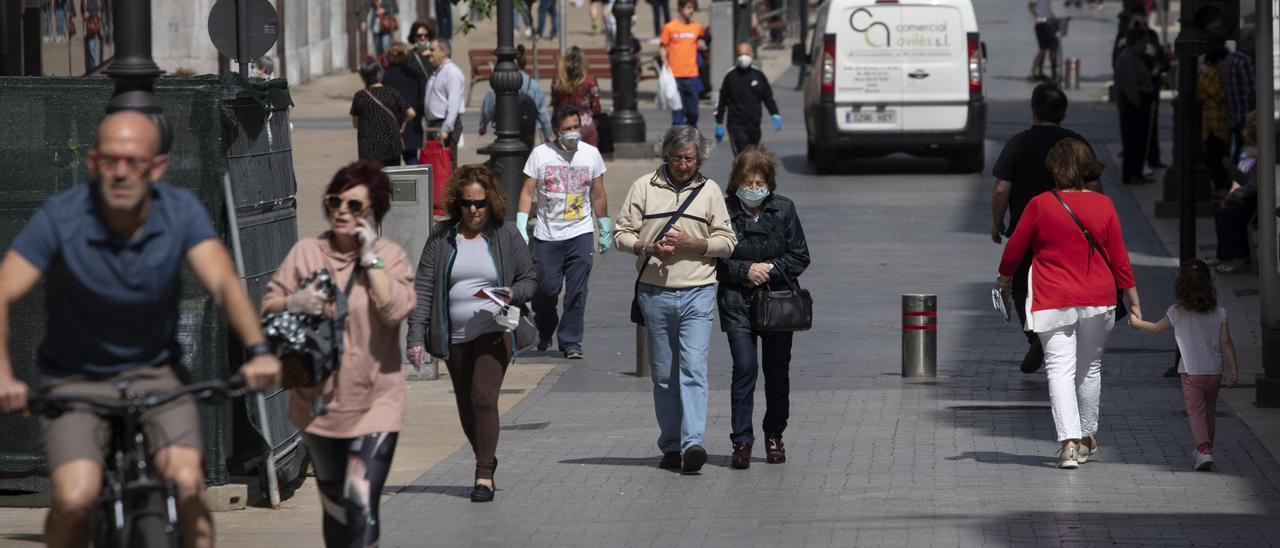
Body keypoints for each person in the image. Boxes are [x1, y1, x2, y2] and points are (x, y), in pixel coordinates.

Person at [0, 111, 282, 548]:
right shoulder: (63, 216)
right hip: (76, 379)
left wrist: (259, 350)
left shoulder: (179, 211)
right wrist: (3, 374)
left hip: (157, 375)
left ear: (157, 167)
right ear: (93, 162)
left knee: (189, 487)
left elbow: (225, 284)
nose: (121, 173)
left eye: (135, 162)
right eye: (110, 161)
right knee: (75, 500)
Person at [261, 161, 416, 547]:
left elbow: (396, 310)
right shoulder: (307, 253)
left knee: (362, 501)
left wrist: (369, 258)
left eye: (354, 205)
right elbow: (267, 307)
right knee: (336, 508)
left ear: (373, 213)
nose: (342, 211)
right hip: (318, 408)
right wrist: (294, 300)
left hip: (376, 404)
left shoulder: (390, 257)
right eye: (335, 202)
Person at [996, 138, 1140, 470]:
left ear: (1055, 169)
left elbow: (1015, 249)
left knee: (1059, 369)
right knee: (1090, 368)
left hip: (1052, 297)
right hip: (1099, 297)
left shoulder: (1040, 204)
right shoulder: (1104, 205)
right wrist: (1133, 298)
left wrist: (1004, 280)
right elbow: (1119, 256)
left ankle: (1070, 443)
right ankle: (1087, 435)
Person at [405, 166, 537, 502]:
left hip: (494, 330)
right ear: (456, 203)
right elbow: (423, 288)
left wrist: (512, 293)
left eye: (479, 203)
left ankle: (483, 476)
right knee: (466, 404)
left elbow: (530, 279)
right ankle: (487, 457)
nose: (473, 210)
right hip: (454, 334)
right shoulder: (442, 237)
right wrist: (415, 336)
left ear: (491, 202)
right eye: (466, 203)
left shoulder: (506, 235)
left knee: (482, 397)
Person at [614, 126, 737, 474]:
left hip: (698, 290)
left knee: (694, 369)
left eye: (690, 158)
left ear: (700, 158)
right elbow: (622, 233)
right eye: (678, 158)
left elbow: (728, 241)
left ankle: (692, 442)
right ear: (666, 156)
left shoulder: (710, 190)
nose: (684, 165)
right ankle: (670, 444)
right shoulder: (643, 187)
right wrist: (646, 247)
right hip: (655, 292)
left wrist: (696, 245)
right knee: (664, 375)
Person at [716, 147, 808, 469]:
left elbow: (800, 255)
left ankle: (774, 434)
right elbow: (714, 260)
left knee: (777, 373)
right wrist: (745, 271)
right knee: (744, 368)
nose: (753, 189)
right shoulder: (724, 212)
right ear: (736, 182)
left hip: (777, 303)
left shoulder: (783, 210)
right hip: (737, 303)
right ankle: (742, 439)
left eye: (759, 183)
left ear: (768, 183)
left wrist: (768, 268)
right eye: (748, 182)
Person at [991, 83, 1091, 374]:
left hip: (1028, 230)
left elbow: (1000, 190)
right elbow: (1096, 187)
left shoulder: (1018, 143)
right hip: (1071, 230)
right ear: (1064, 111)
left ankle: (1036, 336)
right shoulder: (1077, 144)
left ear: (1033, 110)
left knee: (1023, 287)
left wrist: (997, 223)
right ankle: (1052, 337)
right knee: (1066, 281)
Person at [517, 106, 610, 359]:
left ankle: (571, 342)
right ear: (555, 131)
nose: (573, 133)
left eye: (576, 127)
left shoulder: (591, 155)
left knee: (577, 292)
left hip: (580, 232)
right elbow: (527, 192)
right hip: (547, 235)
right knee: (546, 291)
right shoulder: (540, 155)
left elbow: (598, 193)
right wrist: (521, 225)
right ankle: (546, 329)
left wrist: (604, 226)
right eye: (567, 129)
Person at [1128, 259, 1238, 471]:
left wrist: (1136, 323)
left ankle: (1204, 450)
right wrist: (1233, 368)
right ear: (1209, 284)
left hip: (1190, 372)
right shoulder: (1219, 312)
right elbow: (1226, 341)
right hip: (1214, 371)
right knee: (1209, 412)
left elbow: (1155, 329)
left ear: (1181, 286)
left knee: (1195, 412)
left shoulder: (1177, 311)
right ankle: (1206, 449)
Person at [1211, 111, 1259, 274]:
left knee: (1227, 215)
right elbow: (1249, 181)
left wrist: (1237, 194)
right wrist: (1232, 169)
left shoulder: (1257, 153)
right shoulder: (1250, 151)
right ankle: (1225, 255)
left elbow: (1255, 185)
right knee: (1223, 212)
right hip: (1252, 197)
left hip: (1256, 201)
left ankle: (1237, 256)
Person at [714, 42, 781, 155]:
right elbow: (721, 100)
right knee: (742, 156)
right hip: (736, 124)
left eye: (746, 53)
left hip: (754, 124)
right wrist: (719, 122)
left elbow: (768, 97)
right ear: (736, 56)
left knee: (752, 156)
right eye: (740, 54)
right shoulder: (730, 76)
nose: (743, 57)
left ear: (751, 55)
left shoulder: (758, 75)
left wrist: (775, 114)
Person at [481, 44, 553, 148]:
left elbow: (490, 104)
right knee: (527, 155)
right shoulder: (533, 85)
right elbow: (542, 112)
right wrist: (549, 135)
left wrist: (483, 125)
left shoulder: (501, 81)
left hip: (505, 129)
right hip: (528, 128)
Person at [350, 59, 416, 167]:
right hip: (391, 146)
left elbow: (356, 124)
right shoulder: (392, 92)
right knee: (391, 178)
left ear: (363, 77)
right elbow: (411, 113)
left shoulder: (360, 96)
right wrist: (400, 121)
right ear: (381, 74)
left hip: (368, 148)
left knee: (372, 179)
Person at [1114, 27, 1155, 185]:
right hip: (1133, 108)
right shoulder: (1128, 58)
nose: (1146, 44)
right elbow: (1130, 86)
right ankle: (1131, 174)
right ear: (1138, 42)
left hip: (1136, 106)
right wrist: (1137, 103)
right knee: (1133, 142)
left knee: (1139, 142)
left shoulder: (1134, 57)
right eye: (1145, 41)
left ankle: (1136, 172)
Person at [661, 0, 708, 127]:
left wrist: (703, 43)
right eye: (689, 7)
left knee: (693, 111)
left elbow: (704, 39)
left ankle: (692, 135)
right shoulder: (669, 27)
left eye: (692, 8)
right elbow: (663, 46)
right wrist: (664, 61)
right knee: (677, 112)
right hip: (674, 76)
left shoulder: (697, 27)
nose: (691, 11)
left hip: (692, 75)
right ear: (681, 9)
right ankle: (677, 140)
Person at [383, 42, 428, 166]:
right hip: (412, 122)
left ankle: (393, 185)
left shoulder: (386, 76)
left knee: (391, 162)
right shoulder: (414, 74)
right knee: (412, 158)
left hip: (392, 125)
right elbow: (421, 98)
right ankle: (416, 184)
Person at [424, 38, 465, 169]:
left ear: (444, 52)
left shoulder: (451, 72)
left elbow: (453, 103)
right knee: (436, 166)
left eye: (432, 50)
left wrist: (446, 129)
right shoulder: (438, 71)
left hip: (444, 126)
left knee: (446, 165)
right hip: (434, 125)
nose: (429, 52)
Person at [551, 47, 603, 147]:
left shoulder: (557, 81)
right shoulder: (590, 81)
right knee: (589, 159)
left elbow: (555, 106)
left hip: (564, 125)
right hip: (586, 126)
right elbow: (596, 108)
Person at [1200, 43, 1231, 191]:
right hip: (1213, 123)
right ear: (1219, 59)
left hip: (1216, 122)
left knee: (1217, 156)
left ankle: (1219, 184)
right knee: (1216, 157)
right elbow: (1220, 95)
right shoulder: (1210, 73)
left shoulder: (1211, 73)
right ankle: (1218, 186)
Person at [1222, 27, 1256, 161]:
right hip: (1247, 117)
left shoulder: (1229, 60)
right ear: (1248, 42)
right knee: (1246, 152)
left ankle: (1235, 177)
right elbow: (1254, 91)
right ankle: (1238, 178)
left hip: (1234, 116)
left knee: (1240, 149)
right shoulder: (1245, 61)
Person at [1027, 0, 1057, 81]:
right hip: (1041, 25)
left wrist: (1053, 17)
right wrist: (1037, 17)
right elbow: (1030, 6)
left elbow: (1046, 9)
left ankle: (1040, 72)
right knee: (1042, 50)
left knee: (1044, 49)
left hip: (1048, 23)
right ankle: (1032, 73)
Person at [81, 0, 104, 71]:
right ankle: (92, 68)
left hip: (97, 22)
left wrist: (93, 13)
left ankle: (96, 67)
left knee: (94, 48)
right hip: (90, 23)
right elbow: (83, 8)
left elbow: (101, 8)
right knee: (90, 47)